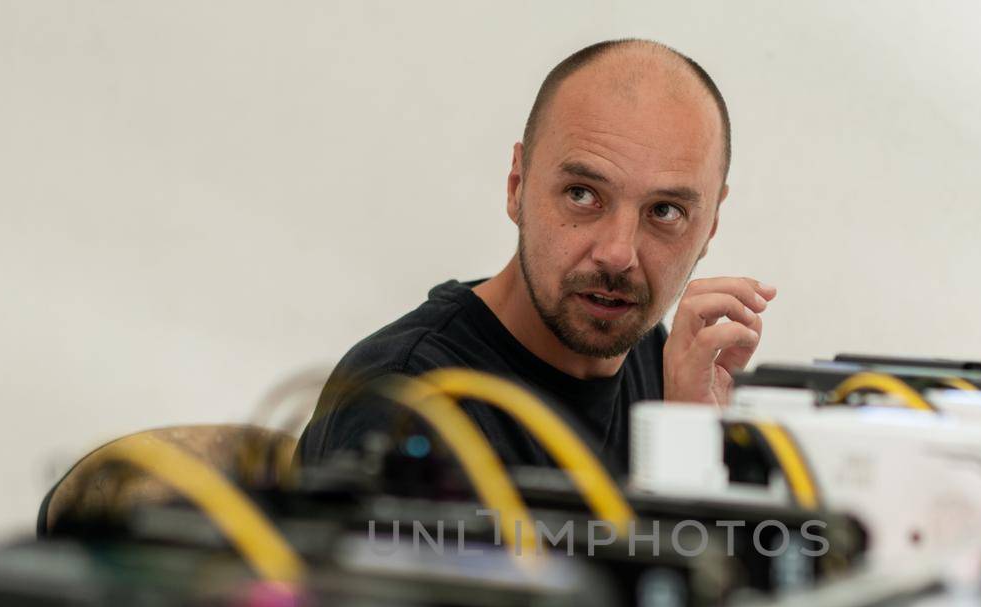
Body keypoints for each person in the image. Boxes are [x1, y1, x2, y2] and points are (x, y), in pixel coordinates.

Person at [297, 38, 775, 476]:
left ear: (710, 225)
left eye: (665, 211)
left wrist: (695, 446)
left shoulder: (663, 366)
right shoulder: (408, 402)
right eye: (583, 194)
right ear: (517, 187)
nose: (617, 254)